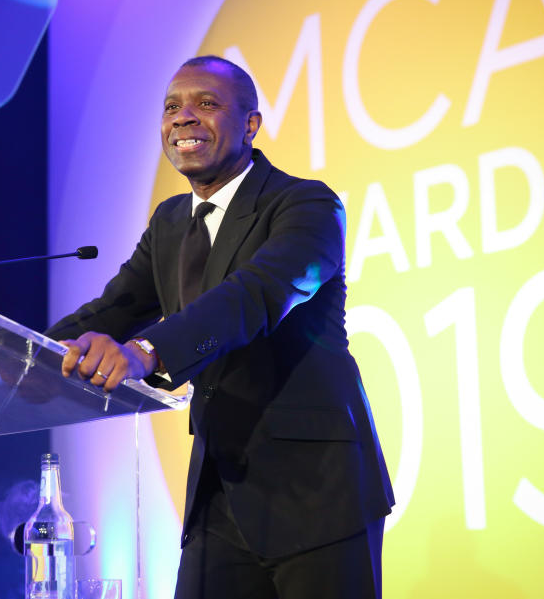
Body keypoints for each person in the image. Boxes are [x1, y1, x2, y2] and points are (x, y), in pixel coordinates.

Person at [46, 55, 394, 598]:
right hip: (219, 494)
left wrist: (146, 351)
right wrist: (17, 356)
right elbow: (113, 310)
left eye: (206, 104)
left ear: (251, 125)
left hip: (319, 491)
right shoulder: (168, 221)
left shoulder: (305, 204)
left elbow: (256, 294)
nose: (183, 117)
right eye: (171, 107)